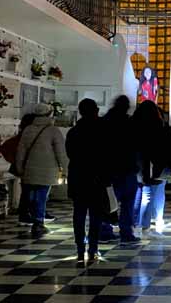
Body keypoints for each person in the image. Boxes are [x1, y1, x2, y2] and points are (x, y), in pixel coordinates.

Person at [65, 99, 109, 264]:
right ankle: (93, 248)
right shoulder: (103, 131)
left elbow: (70, 153)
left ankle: (79, 247)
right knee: (96, 215)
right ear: (95, 111)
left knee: (79, 214)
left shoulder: (74, 132)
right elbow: (108, 155)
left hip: (78, 177)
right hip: (97, 178)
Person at [15, 103, 67, 238]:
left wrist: (20, 168)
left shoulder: (28, 129)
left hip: (29, 170)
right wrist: (66, 170)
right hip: (47, 171)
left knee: (32, 196)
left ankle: (35, 220)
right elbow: (61, 153)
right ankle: (38, 223)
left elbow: (21, 151)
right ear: (49, 114)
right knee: (42, 196)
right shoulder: (53, 131)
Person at [135, 101, 171, 235]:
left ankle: (140, 224)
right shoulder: (163, 127)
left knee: (143, 196)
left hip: (140, 167)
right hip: (158, 167)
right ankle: (154, 222)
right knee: (157, 194)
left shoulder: (135, 127)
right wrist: (169, 161)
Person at [101, 95, 140, 244]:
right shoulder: (131, 123)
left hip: (109, 168)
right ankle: (126, 233)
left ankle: (104, 230)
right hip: (128, 168)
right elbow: (137, 145)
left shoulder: (105, 122)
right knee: (128, 203)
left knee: (108, 201)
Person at [0, 113, 36, 226]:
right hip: (27, 166)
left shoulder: (23, 135)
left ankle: (26, 213)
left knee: (27, 190)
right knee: (28, 191)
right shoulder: (25, 136)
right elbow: (7, 148)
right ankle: (25, 214)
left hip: (24, 166)